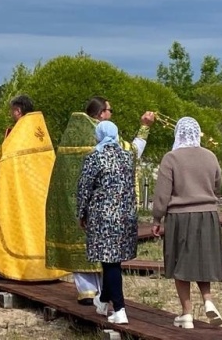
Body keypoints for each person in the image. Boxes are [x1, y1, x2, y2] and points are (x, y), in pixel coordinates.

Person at [45, 96, 153, 303]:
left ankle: (86, 290)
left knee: (81, 241)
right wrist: (144, 127)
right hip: (106, 207)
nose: (111, 115)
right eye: (110, 111)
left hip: (74, 203)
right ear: (101, 113)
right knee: (106, 251)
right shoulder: (106, 136)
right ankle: (107, 296)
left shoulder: (71, 135)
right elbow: (133, 153)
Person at [151, 116, 222, 329]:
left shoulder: (171, 158)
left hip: (180, 216)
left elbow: (162, 194)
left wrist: (157, 218)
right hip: (208, 215)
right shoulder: (210, 156)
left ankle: (186, 313)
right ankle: (208, 299)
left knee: (179, 264)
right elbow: (218, 183)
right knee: (202, 260)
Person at [0, 95, 66, 281]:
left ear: (18, 111)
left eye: (12, 111)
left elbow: (0, 159)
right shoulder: (41, 131)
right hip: (41, 193)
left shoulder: (17, 133)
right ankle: (48, 270)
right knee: (41, 230)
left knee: (17, 228)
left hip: (19, 193)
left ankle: (14, 269)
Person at [76, 120, 138, 325]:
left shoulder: (95, 157)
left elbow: (84, 188)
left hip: (103, 217)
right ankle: (103, 301)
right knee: (111, 260)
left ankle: (119, 308)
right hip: (125, 216)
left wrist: (81, 213)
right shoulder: (127, 157)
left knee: (110, 264)